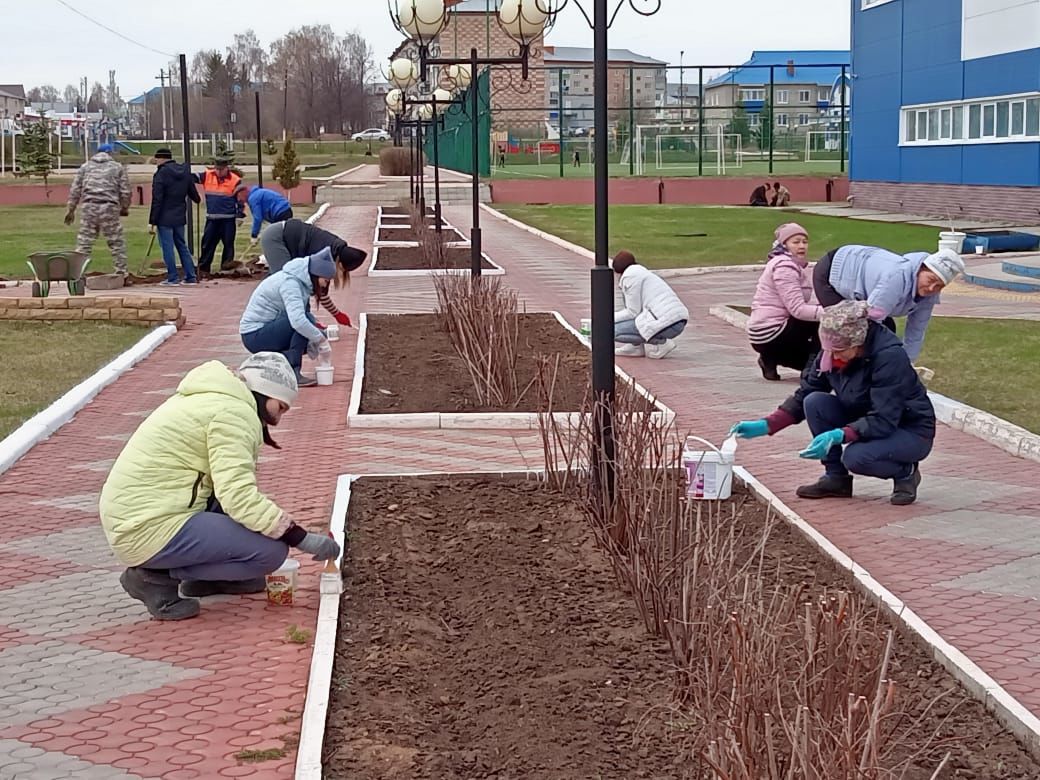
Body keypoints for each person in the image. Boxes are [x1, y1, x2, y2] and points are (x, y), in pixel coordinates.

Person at [99, 352, 341, 621]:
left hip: (142, 514)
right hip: (148, 526)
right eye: (280, 407)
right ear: (264, 393)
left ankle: (210, 580)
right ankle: (153, 577)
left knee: (250, 528)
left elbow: (228, 492)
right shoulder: (234, 414)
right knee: (271, 553)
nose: (279, 418)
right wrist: (300, 538)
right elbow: (238, 496)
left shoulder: (213, 399)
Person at [730, 300, 936, 506]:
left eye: (838, 351)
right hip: (865, 416)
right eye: (828, 350)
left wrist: (840, 434)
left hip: (909, 428)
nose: (832, 357)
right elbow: (807, 392)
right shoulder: (832, 351)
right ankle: (836, 479)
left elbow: (884, 417)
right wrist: (768, 424)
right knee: (815, 402)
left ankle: (906, 473)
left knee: (856, 457)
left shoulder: (889, 357)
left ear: (857, 344)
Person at [812, 245, 965, 362]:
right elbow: (869, 320)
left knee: (885, 331)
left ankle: (861, 380)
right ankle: (818, 378)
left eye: (939, 286)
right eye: (930, 280)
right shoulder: (896, 278)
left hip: (860, 286)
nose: (932, 288)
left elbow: (916, 330)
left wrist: (907, 363)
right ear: (920, 270)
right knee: (842, 334)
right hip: (833, 272)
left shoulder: (929, 295)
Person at [239, 245, 341, 386]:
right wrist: (320, 340)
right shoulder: (290, 283)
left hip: (263, 331)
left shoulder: (299, 282)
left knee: (309, 324)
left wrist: (316, 335)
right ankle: (292, 372)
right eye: (326, 280)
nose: (325, 285)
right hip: (254, 335)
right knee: (303, 324)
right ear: (316, 274)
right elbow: (298, 321)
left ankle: (276, 366)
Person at [259, 217, 367, 327]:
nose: (338, 274)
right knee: (285, 282)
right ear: (340, 263)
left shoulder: (335, 250)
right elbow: (308, 286)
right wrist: (310, 322)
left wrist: (337, 315)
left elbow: (320, 291)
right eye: (342, 270)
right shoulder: (324, 253)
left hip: (286, 237)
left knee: (290, 285)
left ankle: (296, 321)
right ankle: (274, 322)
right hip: (276, 238)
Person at [748, 223, 822, 380]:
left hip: (760, 335)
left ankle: (769, 359)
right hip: (773, 331)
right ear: (784, 245)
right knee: (822, 322)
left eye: (804, 241)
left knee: (825, 366)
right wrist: (834, 313)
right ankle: (810, 371)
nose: (802, 246)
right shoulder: (785, 266)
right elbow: (798, 310)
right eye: (796, 242)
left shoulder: (784, 263)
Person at [65, 142, 132, 279]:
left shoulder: (85, 167)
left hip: (89, 207)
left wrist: (71, 210)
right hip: (109, 207)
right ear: (110, 153)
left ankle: (78, 274)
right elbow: (125, 191)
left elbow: (75, 190)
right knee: (116, 242)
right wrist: (124, 207)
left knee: (84, 242)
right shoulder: (117, 167)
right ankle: (121, 273)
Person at [613, 250, 689, 359]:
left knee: (611, 330)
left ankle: (662, 343)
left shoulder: (629, 278)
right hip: (676, 320)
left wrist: (605, 319)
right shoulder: (641, 273)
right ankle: (635, 347)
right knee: (623, 323)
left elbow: (632, 312)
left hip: (667, 323)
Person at [148, 147, 201, 286]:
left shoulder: (161, 174)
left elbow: (157, 199)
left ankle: (172, 277)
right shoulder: (184, 172)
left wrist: (152, 221)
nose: (156, 162)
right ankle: (190, 276)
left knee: (167, 247)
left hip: (164, 217)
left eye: (157, 159)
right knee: (182, 245)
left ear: (161, 158)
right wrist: (197, 199)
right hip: (179, 215)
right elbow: (193, 194)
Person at [196, 156, 243, 275]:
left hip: (228, 219)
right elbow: (191, 177)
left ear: (227, 168)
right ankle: (203, 269)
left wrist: (239, 215)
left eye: (221, 169)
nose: (218, 171)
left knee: (228, 244)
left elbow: (240, 199)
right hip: (212, 218)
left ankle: (226, 269)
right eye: (217, 169)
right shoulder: (207, 175)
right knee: (207, 243)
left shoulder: (235, 180)